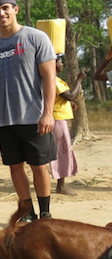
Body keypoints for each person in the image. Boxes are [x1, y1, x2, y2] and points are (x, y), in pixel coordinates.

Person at [0, 0, 57, 221]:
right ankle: (28, 212)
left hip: (34, 117)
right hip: (6, 121)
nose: (1, 13)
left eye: (5, 8)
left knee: (38, 166)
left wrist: (48, 113)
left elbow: (49, 77)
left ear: (15, 9)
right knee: (15, 167)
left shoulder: (36, 37)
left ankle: (44, 213)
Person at [50, 57, 85, 195]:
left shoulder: (53, 79)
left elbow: (58, 97)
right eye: (60, 62)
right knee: (62, 152)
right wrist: (79, 79)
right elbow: (70, 95)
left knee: (62, 151)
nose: (62, 64)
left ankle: (61, 184)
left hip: (59, 118)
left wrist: (67, 104)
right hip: (57, 119)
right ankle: (61, 186)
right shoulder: (54, 80)